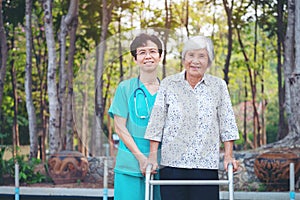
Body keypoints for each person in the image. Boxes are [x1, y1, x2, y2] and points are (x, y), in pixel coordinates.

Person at [144, 35, 239, 200]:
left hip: (205, 165)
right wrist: (152, 156)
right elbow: (157, 122)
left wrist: (228, 155)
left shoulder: (218, 86)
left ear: (208, 61)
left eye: (202, 56)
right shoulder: (169, 84)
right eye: (191, 55)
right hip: (172, 165)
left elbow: (227, 122)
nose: (195, 61)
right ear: (184, 59)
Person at [108, 33, 163, 200]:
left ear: (160, 56)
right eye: (142, 52)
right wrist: (140, 158)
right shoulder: (125, 88)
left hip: (161, 166)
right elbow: (119, 126)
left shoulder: (169, 89)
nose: (148, 56)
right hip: (130, 165)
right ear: (135, 59)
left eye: (152, 51)